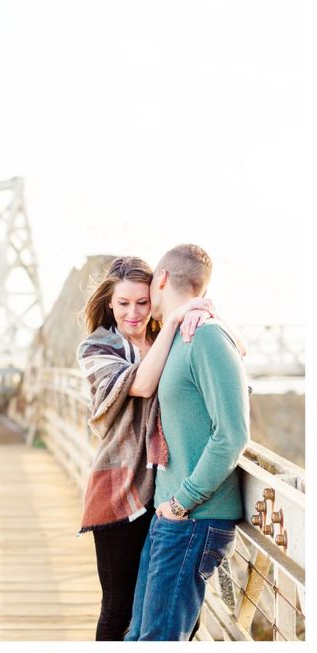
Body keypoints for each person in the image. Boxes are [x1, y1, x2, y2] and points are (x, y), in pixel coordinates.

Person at [76, 256, 216, 640]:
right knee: (119, 609)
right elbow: (140, 385)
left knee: (178, 611)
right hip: (120, 491)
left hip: (170, 490)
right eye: (123, 304)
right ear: (109, 303)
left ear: (155, 294)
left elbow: (228, 352)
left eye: (142, 302)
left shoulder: (167, 336)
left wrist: (206, 315)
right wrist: (173, 320)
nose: (133, 313)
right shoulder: (97, 347)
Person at [124, 244, 250, 641]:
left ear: (161, 279)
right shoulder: (181, 334)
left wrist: (182, 502)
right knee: (138, 637)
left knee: (157, 640)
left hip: (193, 516)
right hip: (172, 515)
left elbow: (232, 434)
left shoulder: (207, 335)